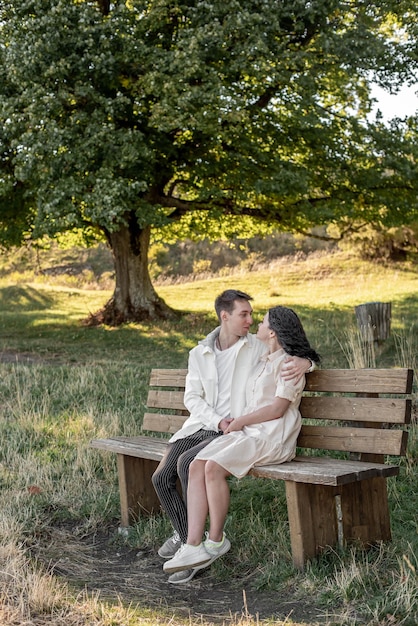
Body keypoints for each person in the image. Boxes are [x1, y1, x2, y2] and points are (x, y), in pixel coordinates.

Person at [151, 291, 315, 584]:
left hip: (260, 432)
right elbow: (194, 398)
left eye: (257, 318)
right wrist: (225, 421)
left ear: (271, 331)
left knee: (200, 465)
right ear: (224, 316)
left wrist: (308, 362)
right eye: (246, 315)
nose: (252, 322)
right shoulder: (218, 354)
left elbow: (283, 391)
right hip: (224, 427)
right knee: (178, 470)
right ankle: (190, 544)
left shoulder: (266, 352)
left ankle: (208, 543)